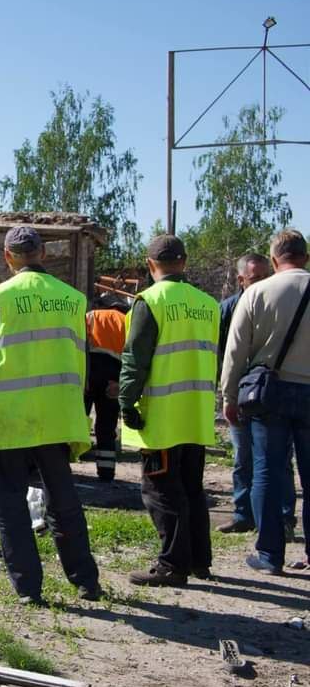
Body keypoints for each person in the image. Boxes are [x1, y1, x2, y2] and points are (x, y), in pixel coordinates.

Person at [0, 225, 101, 605]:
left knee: (12, 506)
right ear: (43, 255)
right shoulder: (73, 299)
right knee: (64, 502)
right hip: (57, 417)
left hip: (9, 419)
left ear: (7, 258)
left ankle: (28, 589)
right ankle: (86, 580)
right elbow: (81, 357)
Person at [120, 235, 218, 587]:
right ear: (185, 262)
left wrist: (126, 402)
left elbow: (135, 358)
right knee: (192, 486)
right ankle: (198, 561)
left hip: (161, 414)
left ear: (150, 265)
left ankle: (172, 565)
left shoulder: (149, 301)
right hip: (196, 410)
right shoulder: (208, 304)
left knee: (160, 488)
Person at [221, 229, 310, 574]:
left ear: (274, 260)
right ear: (305, 256)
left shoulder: (256, 293)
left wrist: (229, 396)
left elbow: (236, 351)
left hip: (268, 395)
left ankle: (270, 555)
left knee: (267, 473)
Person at [216, 254, 298, 536]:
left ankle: (285, 518)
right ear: (241, 280)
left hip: (272, 392)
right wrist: (226, 392)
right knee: (243, 457)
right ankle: (243, 514)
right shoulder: (227, 309)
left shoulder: (275, 299)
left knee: (278, 461)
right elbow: (225, 353)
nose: (263, 281)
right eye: (256, 277)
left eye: (266, 275)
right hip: (242, 394)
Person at [84, 296, 127, 481]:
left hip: (89, 372)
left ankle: (67, 463)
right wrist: (120, 383)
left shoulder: (89, 316)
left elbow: (80, 346)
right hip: (112, 377)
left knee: (78, 420)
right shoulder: (126, 321)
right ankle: (106, 472)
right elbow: (131, 356)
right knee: (107, 426)